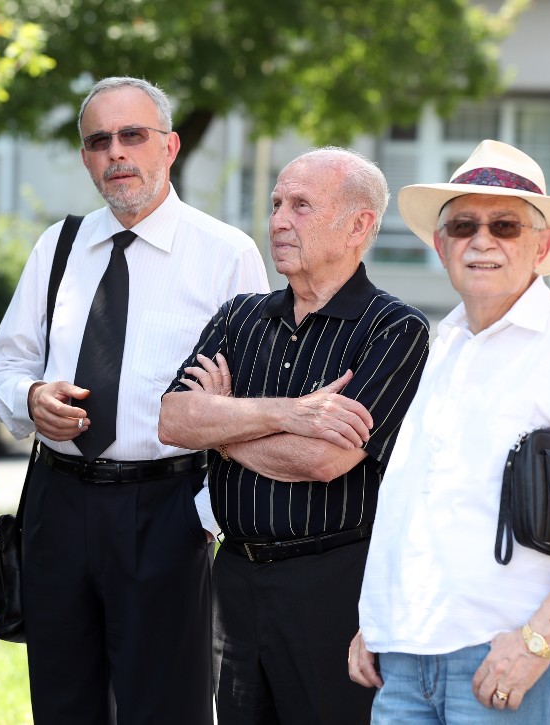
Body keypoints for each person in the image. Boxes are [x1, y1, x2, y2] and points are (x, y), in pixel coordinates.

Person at [349, 140, 550, 723]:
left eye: (506, 225)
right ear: (441, 246)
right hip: (403, 658)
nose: (482, 240)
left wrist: (535, 642)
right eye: (464, 225)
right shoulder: (441, 348)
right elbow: (414, 501)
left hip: (510, 661)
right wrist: (380, 617)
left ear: (541, 246)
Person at [0, 76, 269, 725]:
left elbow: (252, 403)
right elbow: (6, 362)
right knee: (63, 701)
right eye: (98, 140)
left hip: (168, 508)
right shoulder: (57, 248)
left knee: (165, 707)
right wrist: (31, 397)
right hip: (57, 502)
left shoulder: (225, 255)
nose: (116, 152)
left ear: (169, 146)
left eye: (132, 135)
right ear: (86, 157)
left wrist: (204, 515)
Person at [159, 147, 430, 725]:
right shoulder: (240, 316)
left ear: (358, 225)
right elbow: (173, 420)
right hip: (232, 579)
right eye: (277, 203)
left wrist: (225, 418)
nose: (278, 220)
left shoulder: (397, 329)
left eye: (301, 206)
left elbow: (322, 460)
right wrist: (287, 413)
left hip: (330, 586)